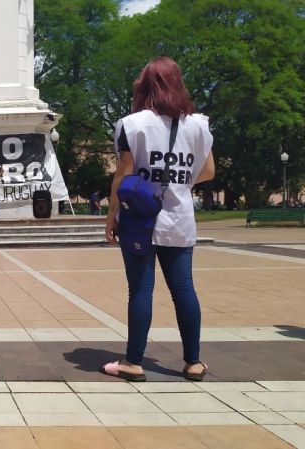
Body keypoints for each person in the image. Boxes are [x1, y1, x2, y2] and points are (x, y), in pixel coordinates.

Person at [103, 57, 215, 382]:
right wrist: (179, 181)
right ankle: (193, 362)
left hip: (139, 219)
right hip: (179, 218)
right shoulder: (200, 125)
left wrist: (111, 217)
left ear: (144, 87)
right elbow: (208, 172)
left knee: (140, 290)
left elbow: (123, 176)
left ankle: (133, 362)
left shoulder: (131, 124)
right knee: (184, 290)